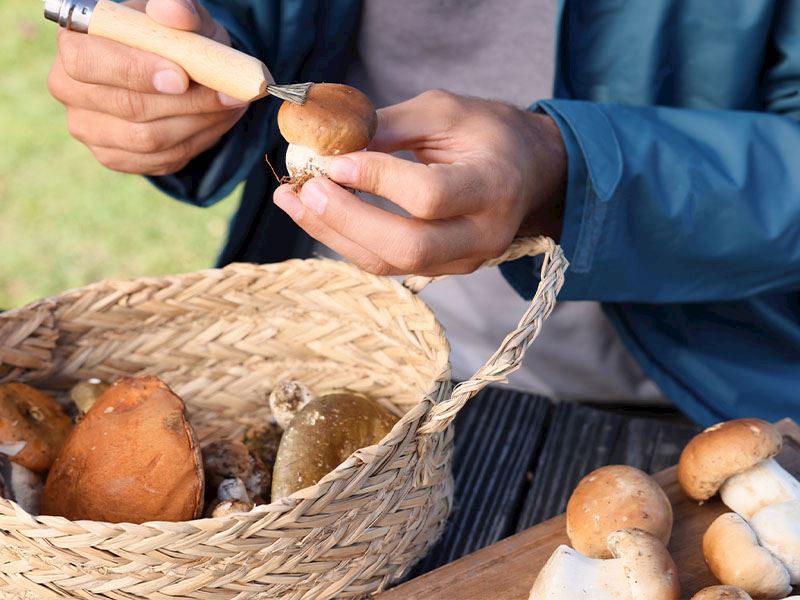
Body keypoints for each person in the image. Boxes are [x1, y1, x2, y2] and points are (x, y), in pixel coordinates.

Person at [47, 0, 800, 426]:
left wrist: (569, 174)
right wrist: (171, 82)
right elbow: (234, 20)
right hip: (340, 364)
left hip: (681, 402)